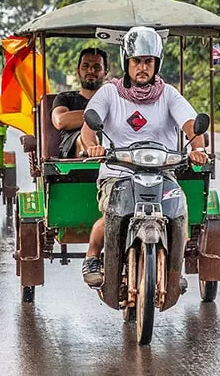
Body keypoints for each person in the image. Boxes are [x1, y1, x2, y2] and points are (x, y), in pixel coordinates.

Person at [78, 27, 208, 286]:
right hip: (119, 172)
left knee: (178, 214)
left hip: (162, 172)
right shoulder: (109, 93)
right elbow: (88, 131)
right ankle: (92, 256)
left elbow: (191, 124)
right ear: (127, 62)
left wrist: (198, 149)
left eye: (148, 62)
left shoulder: (169, 94)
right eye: (137, 61)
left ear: (156, 64)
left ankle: (174, 269)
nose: (142, 67)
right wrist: (94, 147)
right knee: (113, 212)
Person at [51, 48, 108, 158]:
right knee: (84, 137)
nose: (91, 71)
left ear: (105, 72)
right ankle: (95, 153)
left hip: (108, 144)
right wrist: (99, 115)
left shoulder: (111, 100)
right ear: (78, 70)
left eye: (97, 67)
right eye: (85, 66)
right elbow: (60, 121)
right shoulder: (65, 98)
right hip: (72, 147)